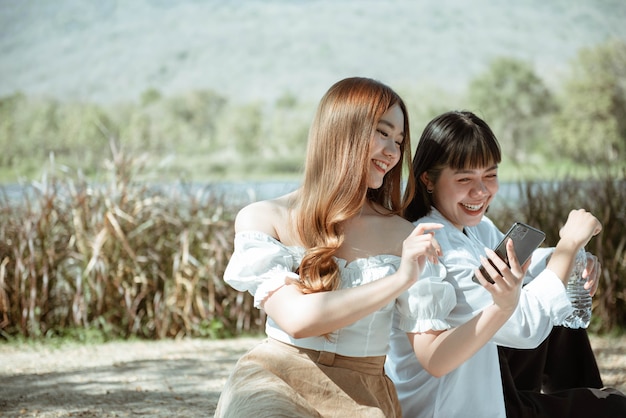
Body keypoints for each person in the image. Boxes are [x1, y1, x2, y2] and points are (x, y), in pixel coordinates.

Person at [214, 79, 527, 417]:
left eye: (399, 140)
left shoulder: (405, 235)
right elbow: (298, 320)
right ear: (340, 131)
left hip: (362, 394)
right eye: (382, 133)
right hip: (275, 378)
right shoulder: (265, 218)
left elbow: (436, 359)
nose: (393, 153)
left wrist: (502, 307)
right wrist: (398, 279)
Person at [385, 110, 626, 417]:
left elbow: (525, 263)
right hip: (455, 405)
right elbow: (527, 326)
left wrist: (570, 260)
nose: (481, 191)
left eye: (490, 175)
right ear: (428, 181)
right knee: (615, 406)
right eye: (464, 179)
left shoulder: (474, 227)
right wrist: (568, 244)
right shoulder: (436, 246)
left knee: (561, 313)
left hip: (489, 378)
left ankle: (586, 394)